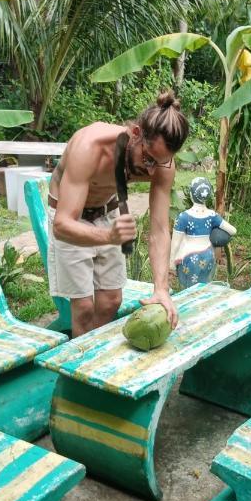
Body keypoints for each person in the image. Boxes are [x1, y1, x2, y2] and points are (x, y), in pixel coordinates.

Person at [48, 91, 189, 337]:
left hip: (107, 211)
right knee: (83, 307)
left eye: (161, 163)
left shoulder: (162, 164)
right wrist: (108, 237)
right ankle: (82, 363)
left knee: (111, 301)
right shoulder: (90, 147)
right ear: (135, 134)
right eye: (148, 159)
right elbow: (62, 224)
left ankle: (95, 352)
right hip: (71, 216)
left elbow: (159, 228)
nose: (151, 169)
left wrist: (161, 289)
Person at [170, 177, 237, 288]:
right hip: (208, 256)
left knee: (188, 290)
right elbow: (233, 230)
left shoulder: (183, 217)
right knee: (204, 287)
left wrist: (171, 262)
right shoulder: (212, 215)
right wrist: (216, 234)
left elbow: (175, 242)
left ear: (191, 194)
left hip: (188, 258)